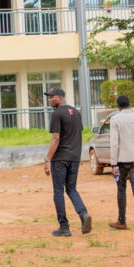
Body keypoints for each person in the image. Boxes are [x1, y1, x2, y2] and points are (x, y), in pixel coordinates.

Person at [43, 87, 92, 237]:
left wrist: (47, 158)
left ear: (61, 97)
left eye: (53, 97)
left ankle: (64, 226)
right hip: (74, 158)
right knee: (71, 189)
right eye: (49, 97)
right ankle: (83, 214)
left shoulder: (57, 114)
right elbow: (78, 135)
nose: (50, 100)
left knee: (58, 190)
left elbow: (56, 138)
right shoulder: (76, 113)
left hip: (60, 159)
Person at [107, 94, 134, 232]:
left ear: (118, 106)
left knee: (121, 189)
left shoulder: (115, 119)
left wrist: (113, 164)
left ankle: (122, 221)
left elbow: (114, 143)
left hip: (121, 160)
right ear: (129, 104)